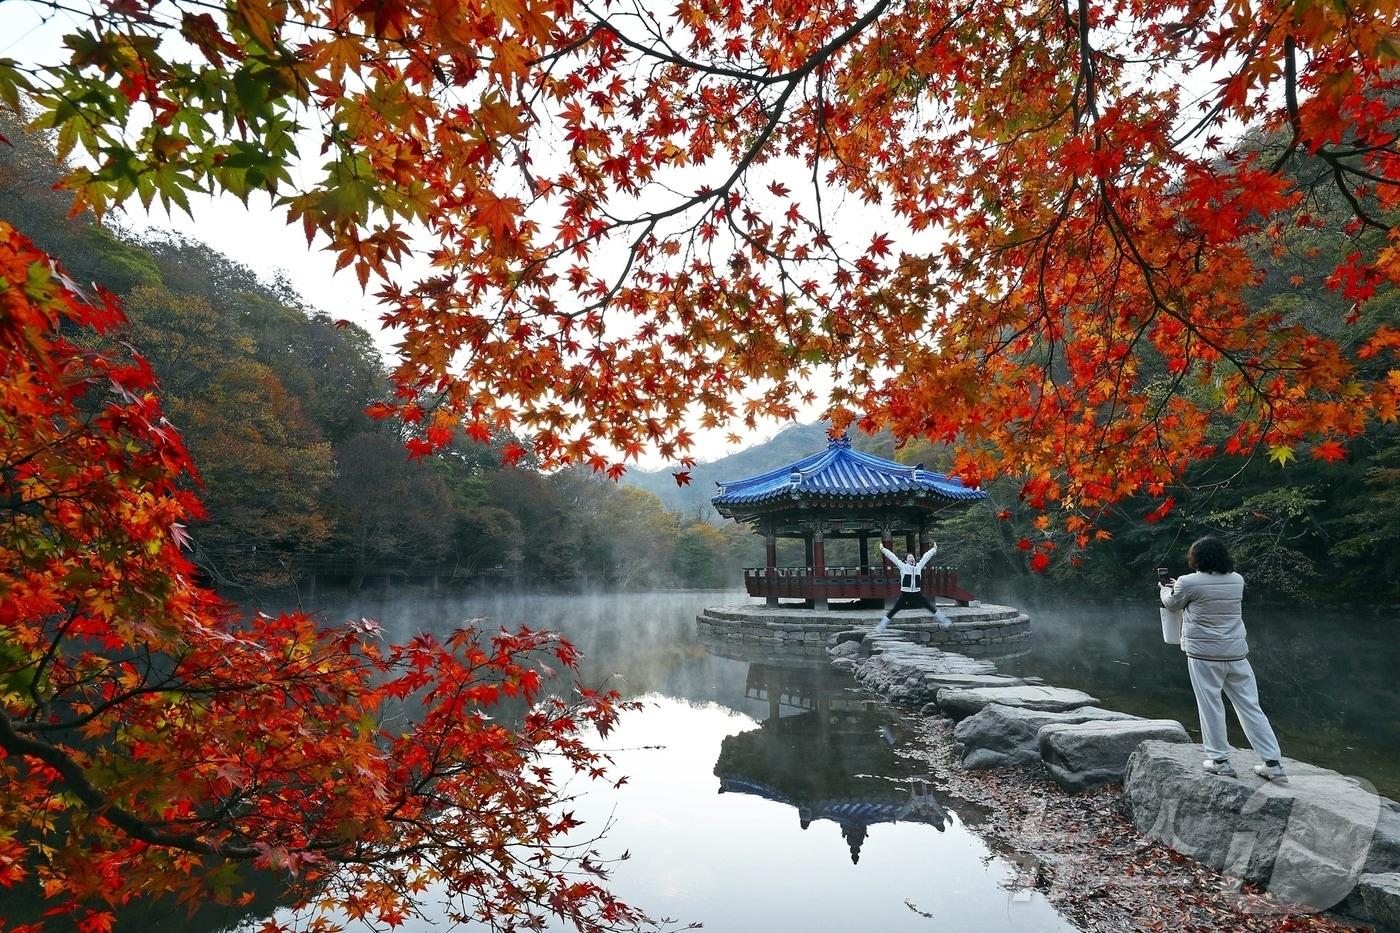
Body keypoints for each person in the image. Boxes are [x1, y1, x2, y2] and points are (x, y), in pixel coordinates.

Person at [1159, 536, 1288, 782]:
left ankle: (1220, 760)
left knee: (1210, 705)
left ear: (1197, 557)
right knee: (1250, 706)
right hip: (1236, 653)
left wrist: (1166, 588)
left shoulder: (1188, 581)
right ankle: (1273, 763)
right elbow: (1208, 591)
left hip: (1204, 655)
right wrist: (1181, 587)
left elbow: (1173, 604)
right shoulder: (1236, 579)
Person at [875, 543, 952, 633]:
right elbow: (893, 557)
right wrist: (883, 549)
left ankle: (943, 620)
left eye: (912, 557)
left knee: (928, 606)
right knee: (895, 609)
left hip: (916, 593)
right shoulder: (903, 566)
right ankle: (882, 625)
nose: (912, 558)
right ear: (906, 561)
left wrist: (933, 550)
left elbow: (926, 557)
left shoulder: (918, 566)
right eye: (909, 557)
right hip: (905, 593)